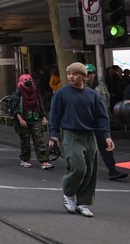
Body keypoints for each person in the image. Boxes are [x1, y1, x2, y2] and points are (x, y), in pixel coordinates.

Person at [49, 62, 114, 218]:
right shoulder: (61, 93)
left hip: (89, 134)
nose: (71, 76)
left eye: (75, 73)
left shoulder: (93, 95)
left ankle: (83, 202)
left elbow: (102, 118)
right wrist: (53, 135)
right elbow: (55, 115)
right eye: (69, 73)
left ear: (84, 76)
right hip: (70, 133)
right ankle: (69, 192)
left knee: (91, 170)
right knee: (79, 167)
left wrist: (107, 136)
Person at [85, 64, 127, 180]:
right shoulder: (80, 87)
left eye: (89, 72)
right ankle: (82, 169)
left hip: (99, 120)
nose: (87, 75)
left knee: (105, 145)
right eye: (85, 73)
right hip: (85, 122)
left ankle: (112, 170)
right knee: (85, 146)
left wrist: (105, 115)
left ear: (94, 73)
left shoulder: (101, 86)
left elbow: (107, 99)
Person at [9, 74, 53, 170]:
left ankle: (44, 160)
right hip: (23, 120)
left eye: (30, 80)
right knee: (25, 141)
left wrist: (44, 117)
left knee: (40, 140)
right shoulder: (17, 94)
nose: (28, 82)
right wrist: (20, 119)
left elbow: (40, 105)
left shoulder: (35, 92)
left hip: (36, 118)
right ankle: (25, 159)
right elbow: (14, 108)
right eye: (25, 81)